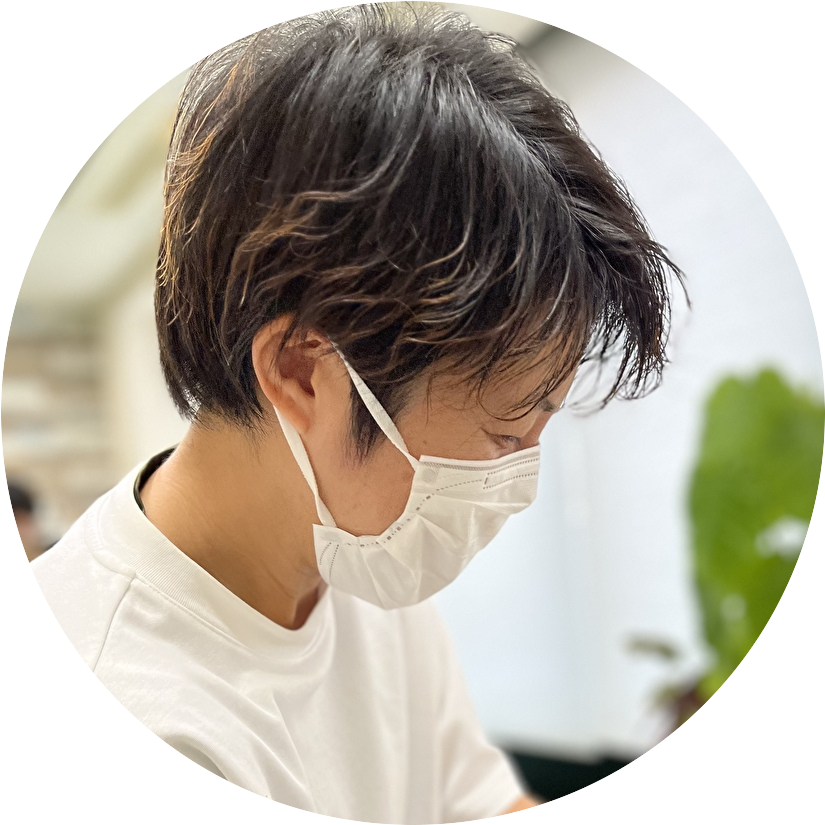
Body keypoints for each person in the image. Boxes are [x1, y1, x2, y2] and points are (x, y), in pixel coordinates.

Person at [31, 5, 684, 819]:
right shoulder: (143, 694)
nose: (519, 484)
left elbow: (474, 797)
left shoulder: (355, 552)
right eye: (503, 433)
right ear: (302, 371)